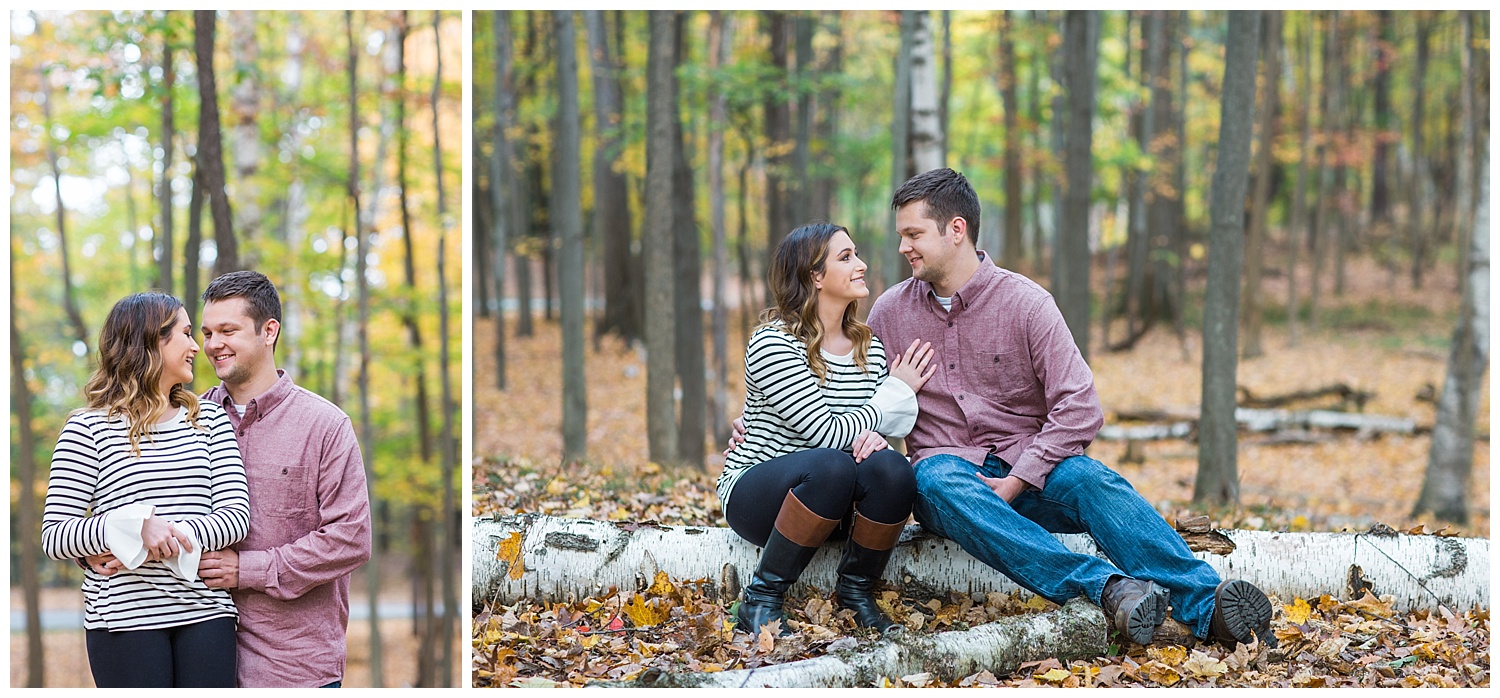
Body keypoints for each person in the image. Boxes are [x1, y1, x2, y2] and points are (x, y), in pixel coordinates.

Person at [865, 167, 1274, 648]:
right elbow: (849, 397)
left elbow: (1080, 404)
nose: (902, 248)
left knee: (1089, 478)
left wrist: (1019, 478)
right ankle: (1109, 588)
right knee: (933, 478)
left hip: (1030, 467)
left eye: (913, 234)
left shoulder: (1026, 303)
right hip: (953, 484)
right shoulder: (889, 313)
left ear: (956, 230)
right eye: (901, 236)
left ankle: (1211, 606)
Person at [88, 271, 373, 687]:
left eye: (227, 330)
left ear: (268, 331)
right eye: (204, 332)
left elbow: (350, 538)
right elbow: (127, 504)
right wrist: (107, 545)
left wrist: (248, 570)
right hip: (193, 650)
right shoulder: (184, 419)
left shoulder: (324, 425)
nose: (212, 344)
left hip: (291, 662)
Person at [720, 222, 936, 636]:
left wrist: (877, 434)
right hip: (759, 495)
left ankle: (856, 593)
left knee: (892, 468)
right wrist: (893, 396)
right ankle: (762, 599)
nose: (861, 264)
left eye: (855, 254)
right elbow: (829, 435)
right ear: (815, 277)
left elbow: (868, 437)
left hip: (836, 503)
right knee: (831, 465)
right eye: (846, 257)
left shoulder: (868, 345)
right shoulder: (773, 343)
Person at [42, 292, 250, 687]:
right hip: (122, 621)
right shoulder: (87, 429)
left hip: (207, 615)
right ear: (151, 341)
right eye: (186, 334)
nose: (196, 347)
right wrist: (133, 527)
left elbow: (235, 519)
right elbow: (55, 535)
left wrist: (156, 536)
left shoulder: (211, 422)